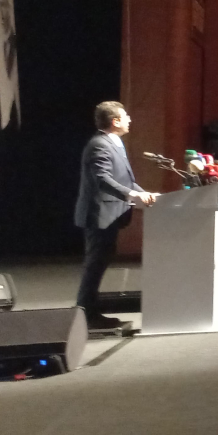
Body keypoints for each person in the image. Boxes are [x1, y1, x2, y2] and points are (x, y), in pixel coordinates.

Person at [73, 100, 157, 329]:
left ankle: (89, 313)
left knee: (99, 264)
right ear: (115, 121)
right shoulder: (99, 145)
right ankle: (85, 315)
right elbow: (102, 180)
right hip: (99, 215)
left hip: (109, 215)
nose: (130, 119)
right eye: (125, 116)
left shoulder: (114, 143)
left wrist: (143, 193)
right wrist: (132, 194)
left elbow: (124, 180)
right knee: (94, 266)